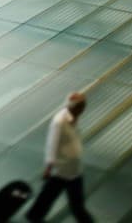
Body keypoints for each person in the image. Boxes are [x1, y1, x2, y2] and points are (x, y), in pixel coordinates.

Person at [25, 92, 94, 223]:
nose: (84, 109)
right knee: (75, 205)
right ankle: (33, 216)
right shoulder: (59, 121)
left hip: (74, 168)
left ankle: (33, 216)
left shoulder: (74, 117)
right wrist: (49, 168)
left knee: (48, 198)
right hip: (62, 169)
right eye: (82, 106)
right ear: (75, 106)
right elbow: (52, 144)